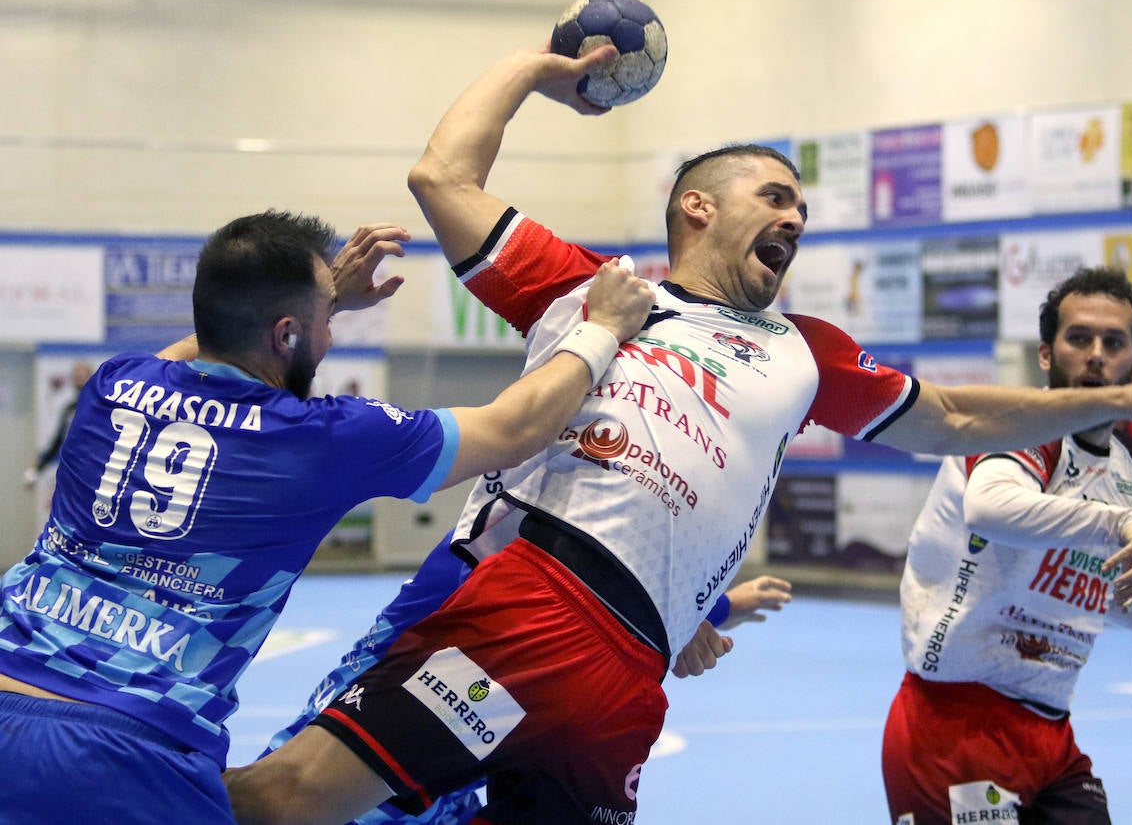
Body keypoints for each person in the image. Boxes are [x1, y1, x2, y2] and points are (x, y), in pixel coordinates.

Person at [223, 42, 1132, 825]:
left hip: (630, 673)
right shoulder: (598, 288)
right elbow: (443, 178)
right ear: (699, 208)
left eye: (803, 203)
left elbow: (958, 416)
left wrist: (1125, 400)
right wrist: (538, 71)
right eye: (775, 195)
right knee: (292, 795)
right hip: (528, 604)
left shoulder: (808, 349)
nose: (797, 213)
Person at [0, 210, 653, 824]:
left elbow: (218, 336)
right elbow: (519, 427)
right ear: (286, 332)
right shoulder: (319, 438)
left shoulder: (112, 384)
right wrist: (599, 327)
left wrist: (317, 297)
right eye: (326, 319)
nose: (331, 332)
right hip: (131, 750)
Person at [882, 267, 1132, 825]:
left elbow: (1101, 594)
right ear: (1046, 355)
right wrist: (1119, 524)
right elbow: (990, 508)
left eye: (1113, 343)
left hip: (1050, 731)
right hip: (955, 725)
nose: (1096, 355)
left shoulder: (1125, 466)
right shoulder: (1016, 424)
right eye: (1078, 339)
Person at [255, 526, 792, 825]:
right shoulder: (511, 538)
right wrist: (691, 617)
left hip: (447, 720)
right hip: (377, 760)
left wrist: (704, 612)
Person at [22, 360, 94, 487]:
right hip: (73, 469)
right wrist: (37, 469)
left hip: (96, 470)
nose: (80, 382)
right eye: (77, 378)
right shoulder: (70, 410)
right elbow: (58, 441)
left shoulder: (101, 408)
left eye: (83, 377)